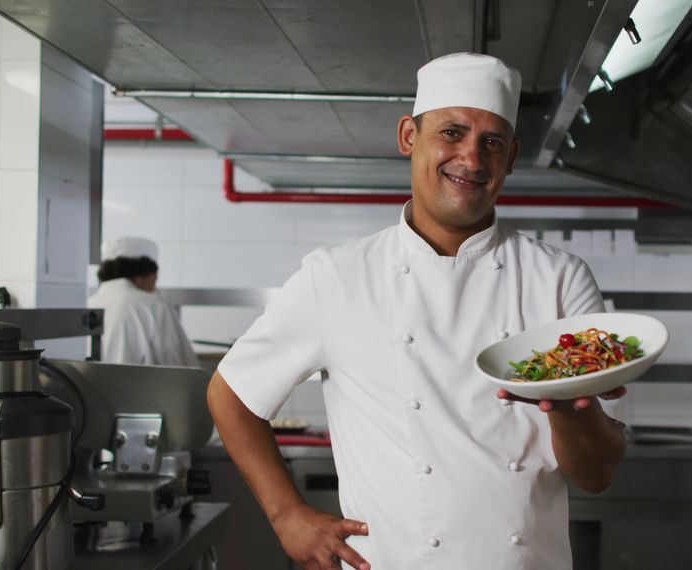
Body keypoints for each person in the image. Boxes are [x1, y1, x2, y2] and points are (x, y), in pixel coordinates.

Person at [207, 52, 626, 570]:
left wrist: (565, 407)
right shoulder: (335, 276)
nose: (472, 160)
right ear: (409, 135)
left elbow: (597, 474)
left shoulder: (560, 280)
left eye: (491, 142)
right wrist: (286, 514)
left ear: (512, 156)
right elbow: (231, 394)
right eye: (452, 133)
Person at [88, 236, 200, 367]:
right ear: (140, 276)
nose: (154, 286)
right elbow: (181, 367)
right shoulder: (153, 305)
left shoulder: (88, 303)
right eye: (155, 278)